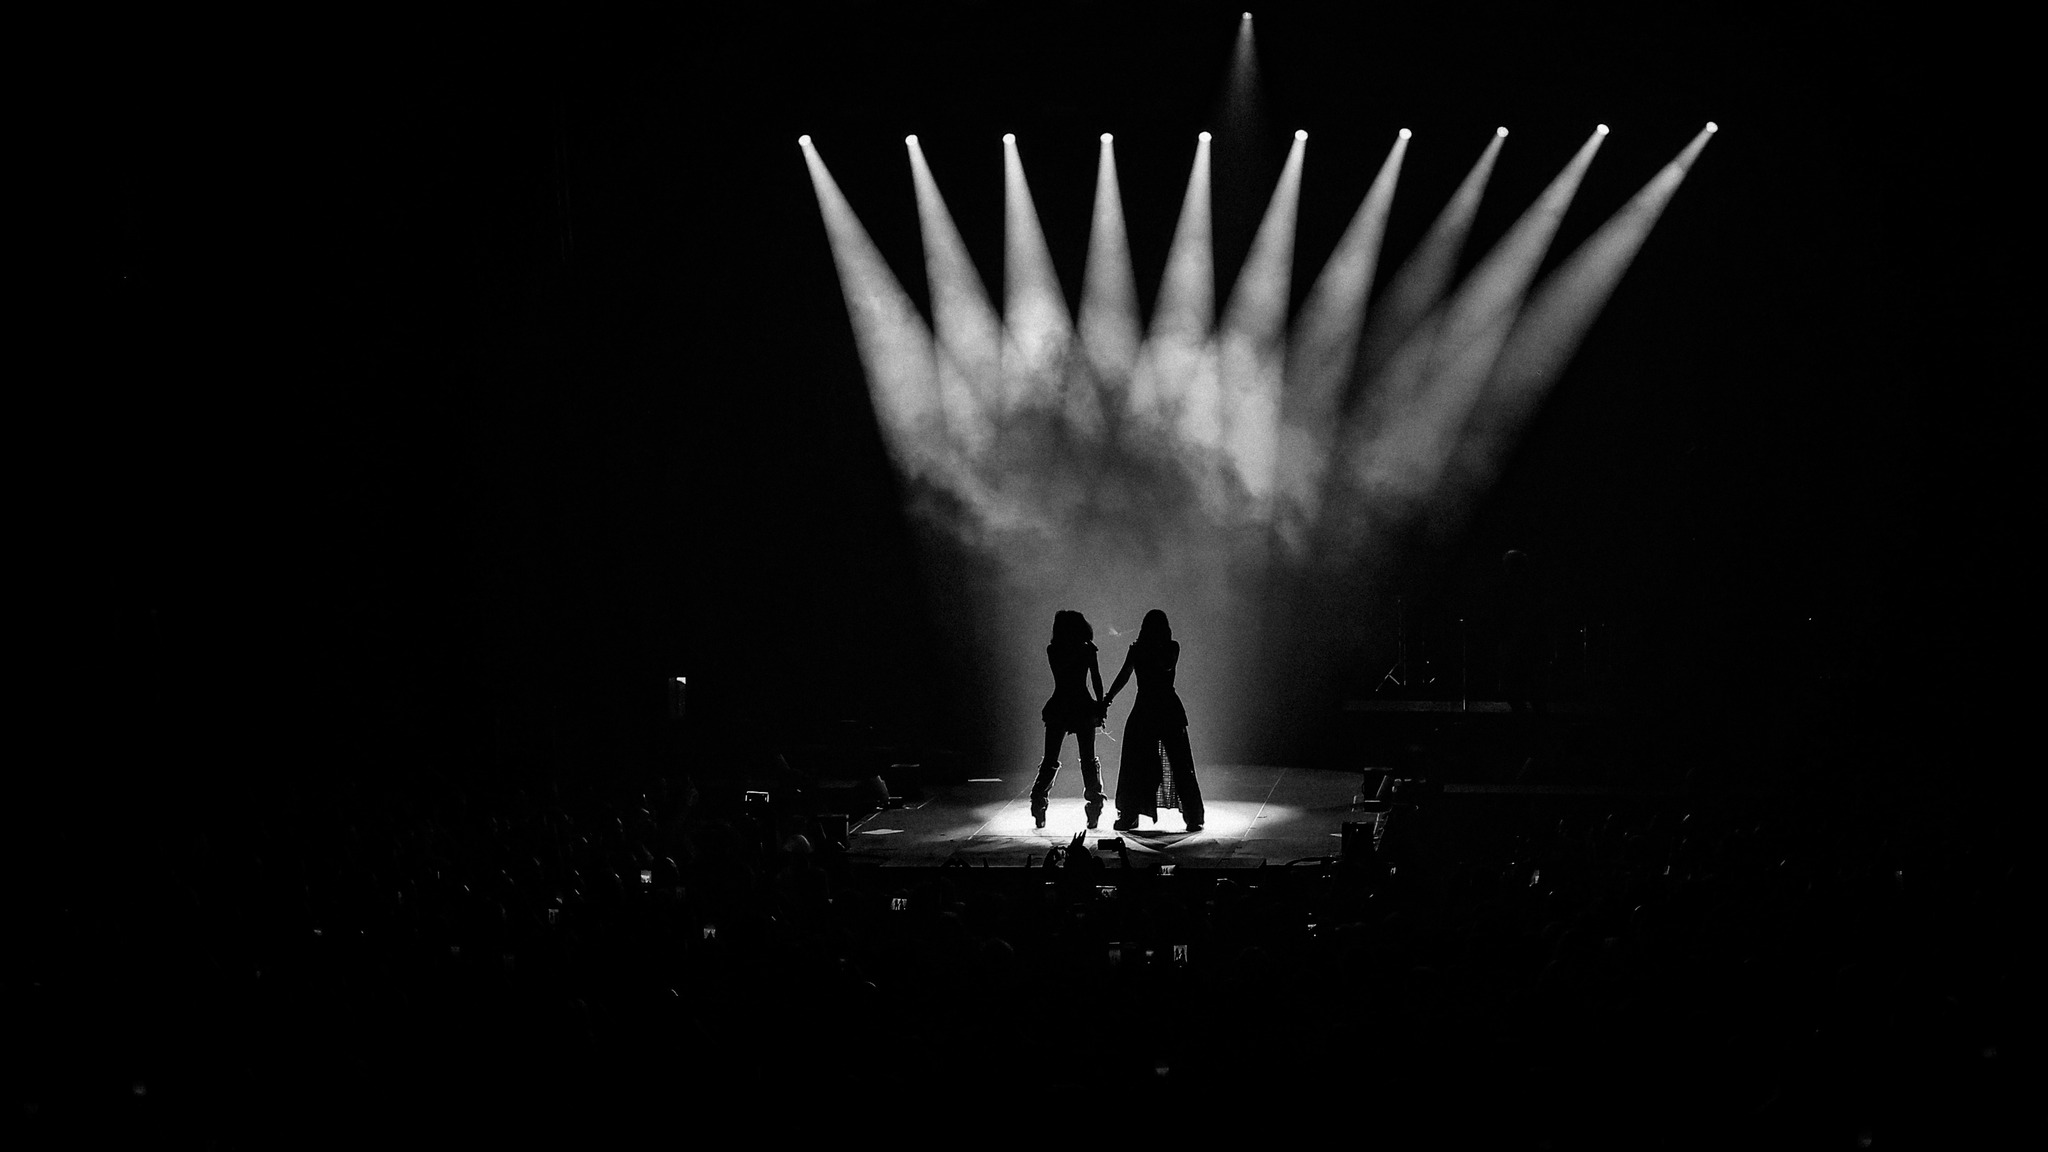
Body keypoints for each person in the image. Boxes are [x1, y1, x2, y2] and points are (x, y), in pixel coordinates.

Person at [1103, 609, 1204, 832]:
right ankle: (1134, 813)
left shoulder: (1167, 648)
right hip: (1158, 708)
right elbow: (1125, 674)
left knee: (1169, 763)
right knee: (1154, 762)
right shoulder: (1152, 648)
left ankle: (1189, 815)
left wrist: (1108, 699)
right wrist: (1108, 699)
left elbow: (1161, 666)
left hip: (1154, 708)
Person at [1030, 610, 1109, 829]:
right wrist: (1100, 705)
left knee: (1050, 759)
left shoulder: (1053, 650)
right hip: (1082, 704)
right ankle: (1094, 806)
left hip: (1060, 704)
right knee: (1088, 759)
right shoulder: (1087, 649)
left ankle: (1038, 803)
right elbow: (1096, 678)